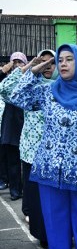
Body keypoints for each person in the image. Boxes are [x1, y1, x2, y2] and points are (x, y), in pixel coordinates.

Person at [10, 44, 77, 249]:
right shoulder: (49, 92)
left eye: (69, 59)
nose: (63, 63)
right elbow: (16, 96)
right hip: (50, 172)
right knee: (55, 230)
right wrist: (33, 72)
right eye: (60, 59)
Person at [0, 49, 58, 248]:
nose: (48, 66)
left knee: (54, 198)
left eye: (52, 62)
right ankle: (41, 232)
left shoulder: (61, 86)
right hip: (32, 150)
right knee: (36, 197)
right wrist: (30, 67)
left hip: (56, 152)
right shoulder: (30, 87)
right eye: (44, 62)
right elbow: (6, 89)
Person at [0, 52, 27, 201]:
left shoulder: (30, 78)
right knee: (13, 161)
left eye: (20, 62)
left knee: (27, 163)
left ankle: (27, 190)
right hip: (11, 124)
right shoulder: (7, 80)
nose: (17, 64)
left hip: (26, 123)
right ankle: (15, 190)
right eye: (14, 62)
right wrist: (7, 70)